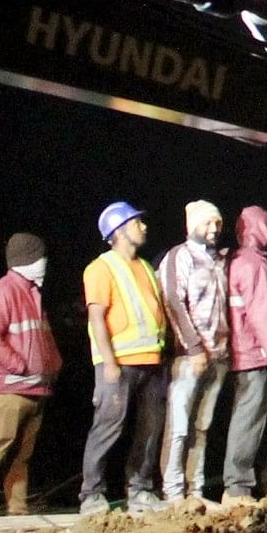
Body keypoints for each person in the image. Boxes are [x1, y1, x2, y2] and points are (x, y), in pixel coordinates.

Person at [79, 201, 170, 516]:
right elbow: (96, 317)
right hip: (118, 363)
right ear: (118, 230)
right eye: (136, 222)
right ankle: (91, 494)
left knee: (150, 429)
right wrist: (109, 363)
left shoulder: (145, 267)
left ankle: (140, 489)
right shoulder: (101, 268)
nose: (143, 227)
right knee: (109, 426)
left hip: (151, 362)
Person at [0, 231, 59, 517]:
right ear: (26, 260)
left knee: (23, 456)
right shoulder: (2, 292)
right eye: (39, 256)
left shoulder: (34, 293)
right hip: (7, 392)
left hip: (36, 391)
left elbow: (42, 337)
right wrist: (20, 365)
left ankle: (17, 510)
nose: (44, 261)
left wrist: (54, 365)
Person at [157, 200, 232, 505]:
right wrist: (193, 346)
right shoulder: (180, 257)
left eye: (218, 223)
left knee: (202, 426)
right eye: (207, 223)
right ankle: (173, 491)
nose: (214, 229)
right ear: (193, 226)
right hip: (190, 356)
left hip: (218, 355)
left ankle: (195, 489)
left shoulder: (217, 261)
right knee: (179, 424)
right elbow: (174, 302)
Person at [220, 205, 267, 501]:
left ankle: (241, 484)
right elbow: (263, 317)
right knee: (248, 421)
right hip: (255, 354)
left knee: (245, 419)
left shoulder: (235, 260)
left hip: (239, 354)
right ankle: (237, 487)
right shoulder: (255, 264)